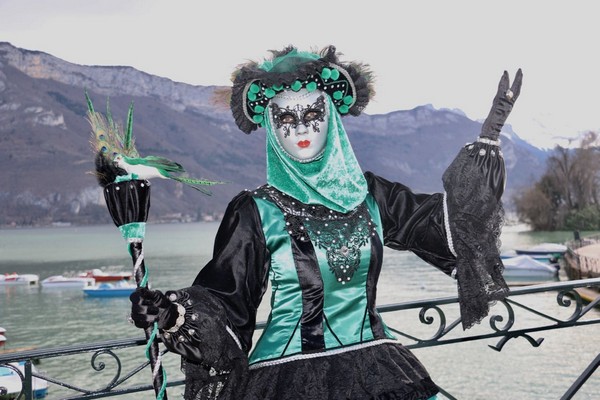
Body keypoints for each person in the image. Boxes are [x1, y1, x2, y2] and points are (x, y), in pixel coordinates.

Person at [130, 45, 522, 399]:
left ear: (331, 118)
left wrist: (487, 140)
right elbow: (227, 301)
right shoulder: (255, 211)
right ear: (270, 126)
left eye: (312, 113)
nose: (300, 127)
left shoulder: (371, 196)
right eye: (285, 116)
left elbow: (450, 228)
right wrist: (172, 313)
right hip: (285, 380)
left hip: (378, 370)